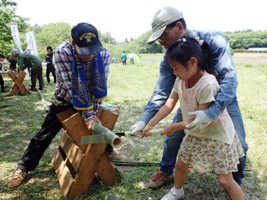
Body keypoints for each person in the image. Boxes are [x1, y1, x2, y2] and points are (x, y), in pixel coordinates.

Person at [129, 6, 248, 188]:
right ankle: (166, 170)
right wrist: (145, 121)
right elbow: (163, 95)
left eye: (163, 36)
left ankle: (234, 183)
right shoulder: (170, 60)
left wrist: (211, 112)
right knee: (173, 139)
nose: (161, 42)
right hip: (192, 100)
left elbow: (229, 80)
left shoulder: (214, 41)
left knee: (239, 142)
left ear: (178, 26)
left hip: (222, 100)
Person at [7, 22, 113, 188]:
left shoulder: (104, 54)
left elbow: (100, 85)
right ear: (72, 42)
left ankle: (107, 152)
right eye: (85, 52)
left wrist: (94, 112)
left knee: (96, 130)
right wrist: (89, 115)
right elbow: (70, 87)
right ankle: (23, 167)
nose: (91, 56)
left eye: (93, 51)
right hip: (66, 99)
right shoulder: (62, 52)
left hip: (90, 102)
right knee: (44, 134)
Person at [141, 38, 244, 200]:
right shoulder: (180, 79)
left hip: (217, 135)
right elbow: (168, 105)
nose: (174, 72)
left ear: (193, 62)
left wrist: (172, 127)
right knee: (181, 165)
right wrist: (149, 124)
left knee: (225, 180)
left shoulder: (207, 84)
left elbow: (198, 120)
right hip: (196, 133)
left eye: (176, 68)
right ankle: (177, 191)